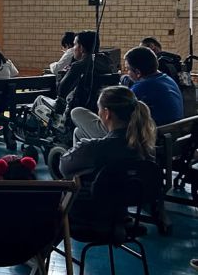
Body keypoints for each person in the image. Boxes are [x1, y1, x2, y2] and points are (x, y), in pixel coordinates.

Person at [60, 86, 156, 224]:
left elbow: (64, 167)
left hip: (89, 214)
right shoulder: (146, 146)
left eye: (99, 109)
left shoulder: (93, 148)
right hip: (125, 205)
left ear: (106, 113)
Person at [71, 47, 183, 144]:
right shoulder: (167, 80)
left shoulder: (141, 88)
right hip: (166, 139)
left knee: (77, 112)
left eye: (128, 69)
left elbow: (115, 114)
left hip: (137, 141)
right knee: (79, 132)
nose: (126, 73)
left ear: (138, 72)